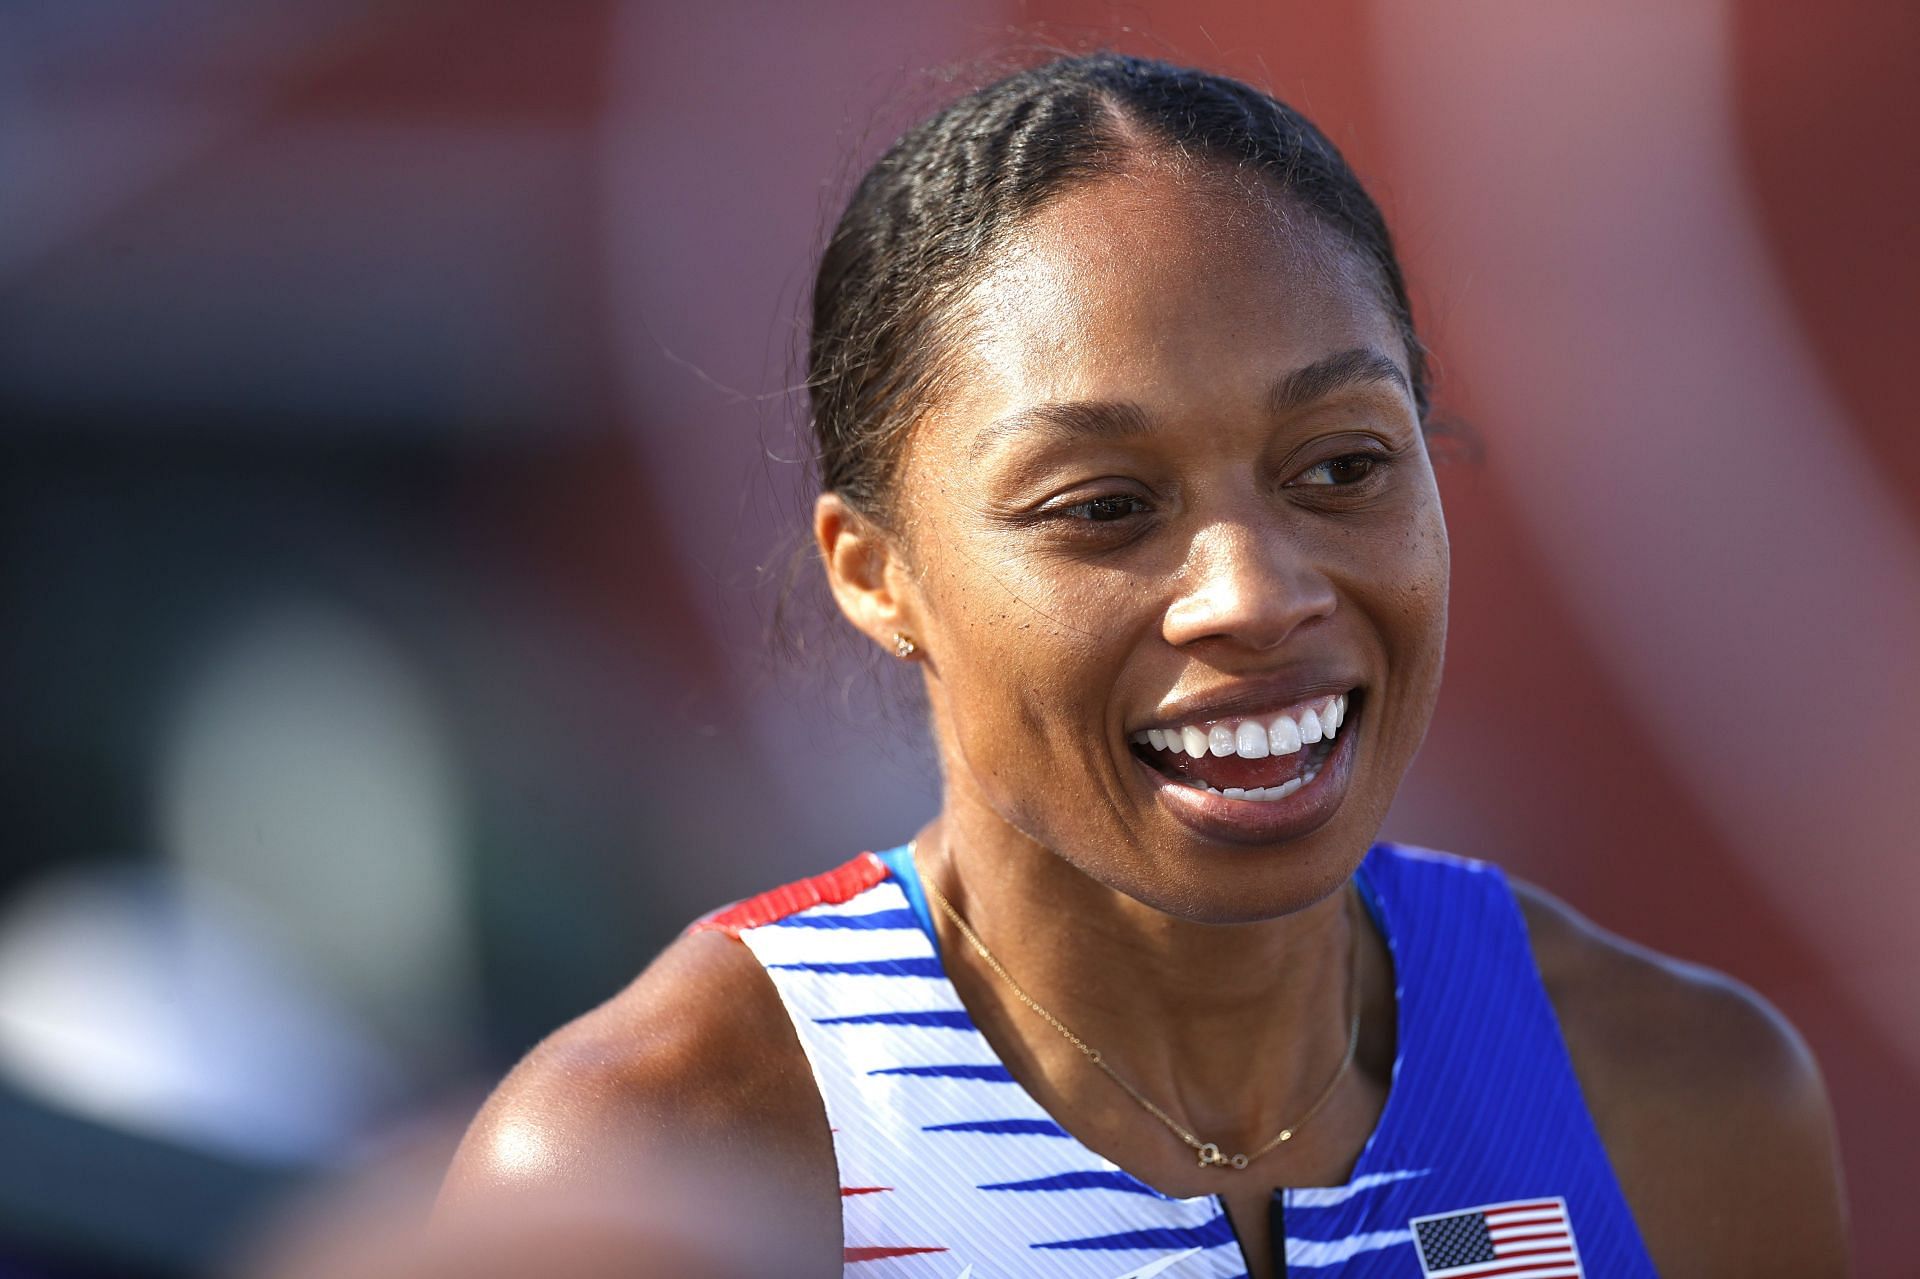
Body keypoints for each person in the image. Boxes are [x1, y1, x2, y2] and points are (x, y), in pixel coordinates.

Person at [439, 54, 1849, 1277]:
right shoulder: (656, 1169)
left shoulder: (1675, 1100)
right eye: (1104, 507)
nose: (1253, 595)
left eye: (1343, 467)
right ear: (874, 573)